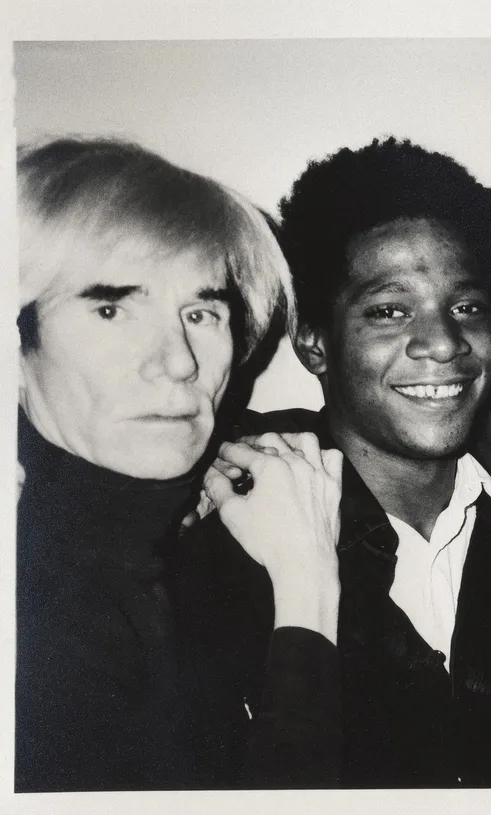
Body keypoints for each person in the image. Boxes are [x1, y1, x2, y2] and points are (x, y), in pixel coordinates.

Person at [169, 137, 491, 788]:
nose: (444, 342)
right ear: (314, 342)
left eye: (468, 306)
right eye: (390, 311)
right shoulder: (235, 523)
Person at [15, 137, 300, 791]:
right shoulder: (41, 606)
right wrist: (307, 590)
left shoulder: (176, 527)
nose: (179, 361)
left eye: (201, 313)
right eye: (112, 308)